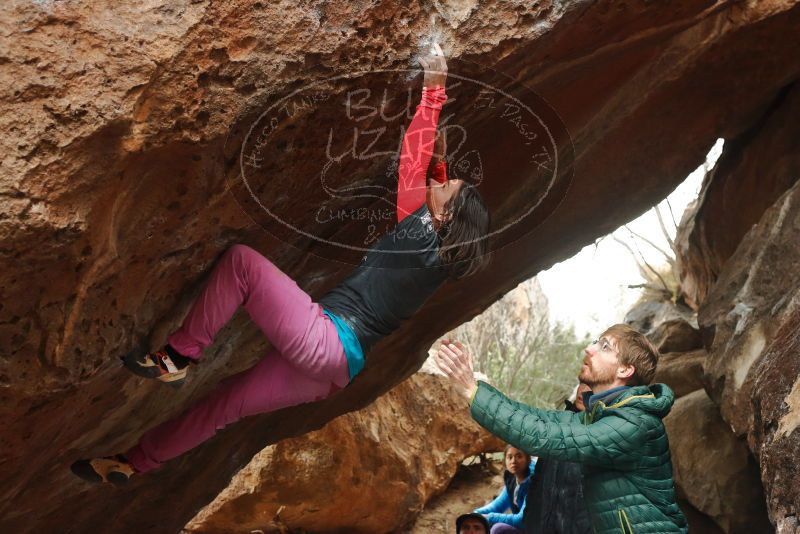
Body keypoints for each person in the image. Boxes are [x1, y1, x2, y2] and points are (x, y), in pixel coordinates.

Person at [71, 45, 491, 485]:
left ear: (441, 216)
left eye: (445, 187)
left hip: (327, 339)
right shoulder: (437, 259)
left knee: (241, 265)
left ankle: (179, 355)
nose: (436, 184)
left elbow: (411, 161)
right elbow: (434, 189)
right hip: (334, 374)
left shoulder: (416, 232)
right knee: (225, 405)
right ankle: (133, 463)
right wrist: (441, 165)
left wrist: (434, 93)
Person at [435, 324, 688, 534]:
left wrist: (472, 390)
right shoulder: (601, 418)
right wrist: (477, 389)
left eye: (604, 347)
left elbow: (546, 436)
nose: (588, 349)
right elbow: (541, 420)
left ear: (625, 369)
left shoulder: (634, 424)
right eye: (595, 342)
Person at [522, 382, 592, 534]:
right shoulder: (556, 425)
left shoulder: (607, 435)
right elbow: (538, 479)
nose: (584, 391)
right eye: (583, 383)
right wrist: (529, 520)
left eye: (592, 386)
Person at [474, 445, 535, 533]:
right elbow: (497, 506)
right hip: (522, 529)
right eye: (509, 457)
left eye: (519, 456)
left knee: (498, 529)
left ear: (527, 460)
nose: (513, 461)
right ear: (505, 461)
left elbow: (522, 520)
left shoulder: (534, 484)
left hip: (534, 529)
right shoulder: (512, 481)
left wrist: (488, 518)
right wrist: (475, 514)